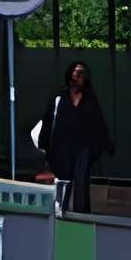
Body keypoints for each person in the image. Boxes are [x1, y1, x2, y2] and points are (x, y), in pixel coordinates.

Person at [39, 62, 113, 213]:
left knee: (81, 182)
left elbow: (98, 122)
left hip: (82, 147)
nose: (79, 76)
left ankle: (81, 217)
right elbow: (48, 120)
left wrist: (104, 143)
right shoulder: (60, 96)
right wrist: (45, 145)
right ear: (70, 75)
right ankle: (59, 212)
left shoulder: (89, 99)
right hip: (62, 147)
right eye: (76, 72)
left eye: (82, 73)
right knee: (63, 181)